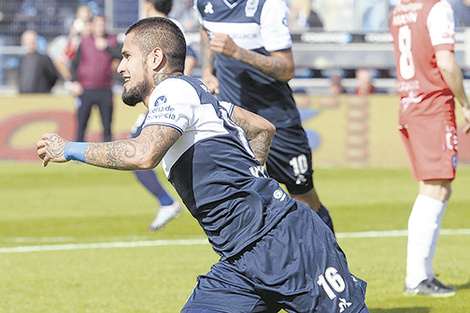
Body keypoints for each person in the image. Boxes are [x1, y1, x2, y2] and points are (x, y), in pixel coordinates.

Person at [37, 17, 369, 313]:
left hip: (287, 244)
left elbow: (144, 154)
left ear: (155, 58)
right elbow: (260, 127)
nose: (120, 67)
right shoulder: (197, 92)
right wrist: (248, 177)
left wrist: (69, 148)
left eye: (127, 57)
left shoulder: (173, 91)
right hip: (241, 260)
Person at [195, 0, 335, 233]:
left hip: (277, 120)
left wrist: (238, 52)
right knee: (242, 204)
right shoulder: (205, 3)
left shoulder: (268, 5)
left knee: (303, 198)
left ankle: (332, 264)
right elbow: (205, 30)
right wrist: (207, 71)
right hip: (237, 123)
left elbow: (286, 68)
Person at [390, 0, 470, 297]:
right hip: (433, 106)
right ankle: (417, 277)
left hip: (409, 103)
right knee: (436, 189)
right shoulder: (438, 7)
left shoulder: (399, 9)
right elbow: (446, 62)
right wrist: (466, 103)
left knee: (433, 188)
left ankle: (420, 275)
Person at [133, 0, 199, 232]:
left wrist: (176, 86)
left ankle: (168, 202)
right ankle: (169, 202)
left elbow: (190, 56)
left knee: (138, 147)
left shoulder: (167, 26)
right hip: (161, 100)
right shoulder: (154, 25)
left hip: (168, 101)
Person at [70, 14, 121, 142]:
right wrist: (74, 81)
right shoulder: (85, 41)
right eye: (97, 24)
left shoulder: (112, 40)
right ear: (92, 26)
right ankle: (77, 153)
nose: (100, 27)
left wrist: (107, 47)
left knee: (107, 125)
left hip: (105, 88)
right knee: (82, 124)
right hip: (86, 89)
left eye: (102, 24)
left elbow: (121, 56)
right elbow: (74, 63)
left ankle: (107, 155)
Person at [18, 29, 59, 94]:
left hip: (40, 97)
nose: (29, 43)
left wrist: (45, 90)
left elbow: (53, 76)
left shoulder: (44, 59)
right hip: (24, 97)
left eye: (31, 40)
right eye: (27, 41)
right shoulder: (22, 59)